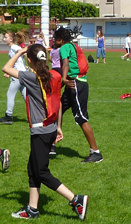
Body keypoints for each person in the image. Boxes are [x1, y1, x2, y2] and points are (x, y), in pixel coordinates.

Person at [2, 44, 89, 221]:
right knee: (32, 168)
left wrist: (19, 52)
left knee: (41, 171)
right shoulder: (54, 75)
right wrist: (58, 126)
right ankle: (32, 209)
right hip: (49, 127)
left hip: (40, 131)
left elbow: (6, 68)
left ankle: (75, 200)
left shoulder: (30, 77)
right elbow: (56, 102)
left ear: (29, 60)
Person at [54, 27, 103, 163]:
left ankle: (96, 152)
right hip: (74, 83)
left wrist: (63, 79)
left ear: (61, 39)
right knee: (56, 109)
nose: (54, 41)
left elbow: (66, 64)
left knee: (81, 118)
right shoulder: (73, 46)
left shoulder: (64, 48)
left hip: (76, 85)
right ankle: (51, 144)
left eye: (56, 38)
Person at [0, 31, 27, 125]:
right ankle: (38, 114)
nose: (4, 39)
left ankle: (8, 116)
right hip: (22, 73)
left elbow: (22, 51)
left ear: (11, 39)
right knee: (26, 96)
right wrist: (9, 73)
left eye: (5, 37)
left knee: (10, 95)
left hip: (18, 75)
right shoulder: (12, 48)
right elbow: (17, 61)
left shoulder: (14, 47)